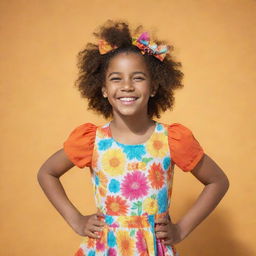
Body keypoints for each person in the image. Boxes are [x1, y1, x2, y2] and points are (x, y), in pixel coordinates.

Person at [37, 20, 229, 256]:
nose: (127, 86)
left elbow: (218, 181)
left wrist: (181, 229)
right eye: (116, 78)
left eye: (138, 77)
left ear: (154, 86)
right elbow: (47, 172)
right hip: (104, 248)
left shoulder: (172, 139)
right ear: (104, 89)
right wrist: (76, 220)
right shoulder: (91, 140)